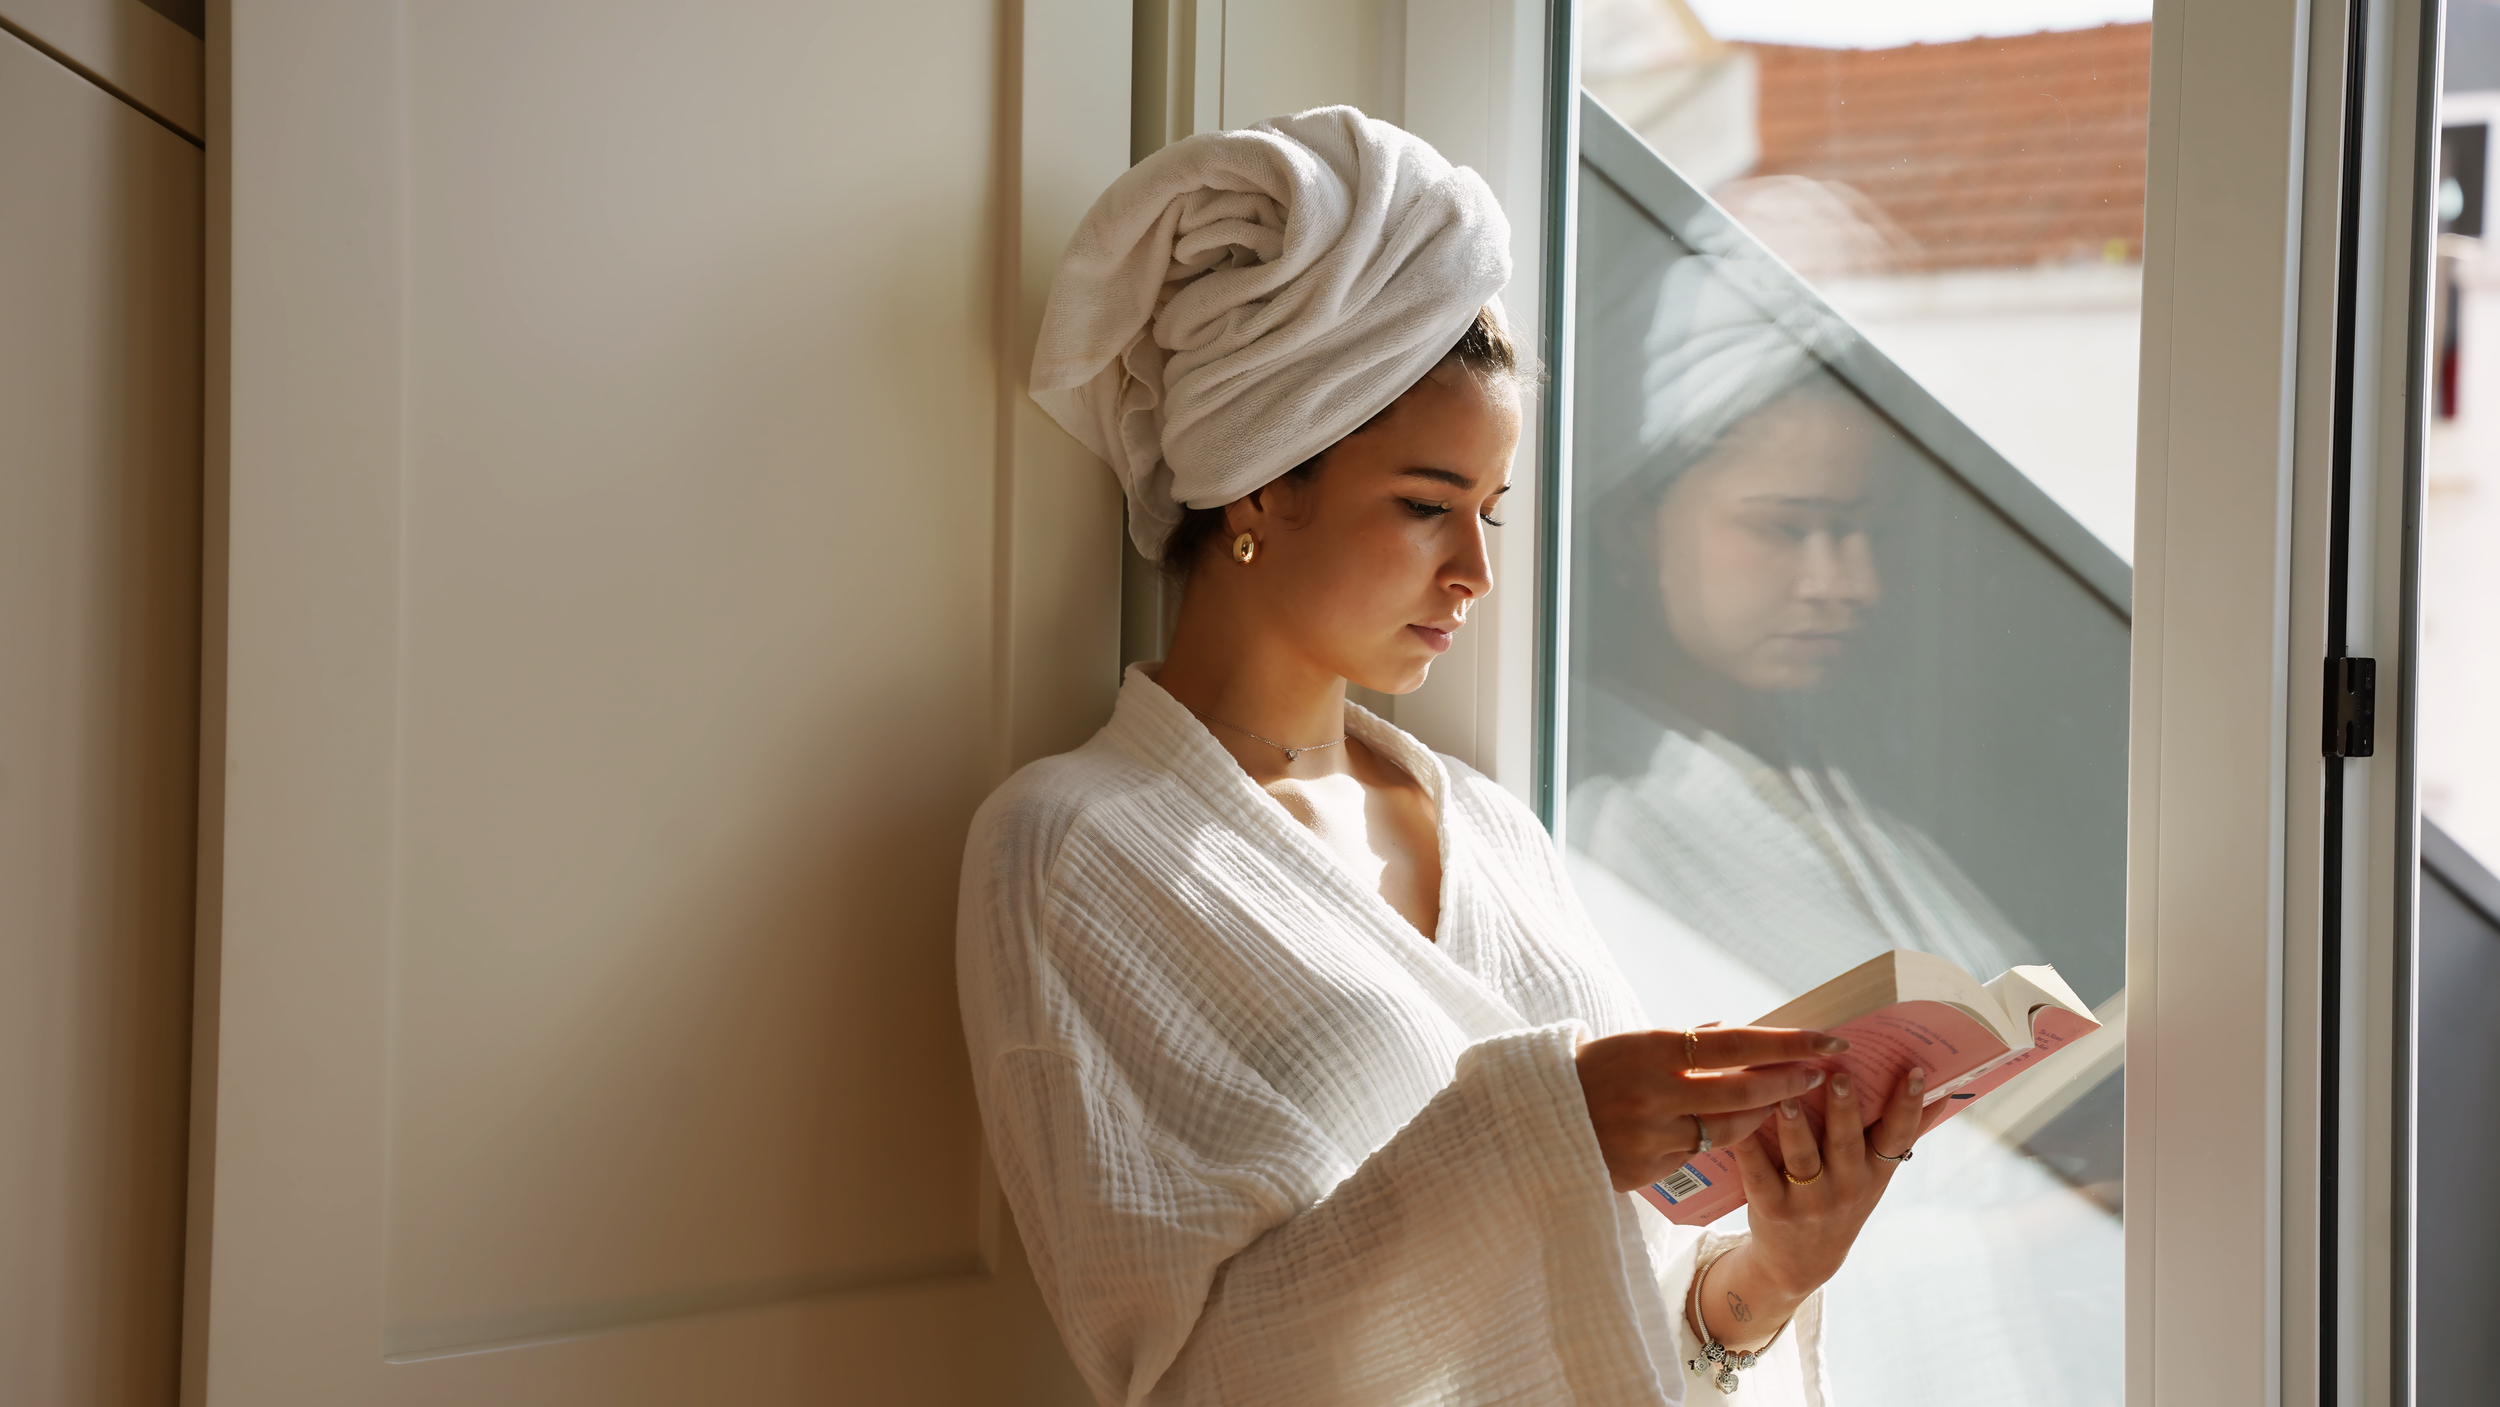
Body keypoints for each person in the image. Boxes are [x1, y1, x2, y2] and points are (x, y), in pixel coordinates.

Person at [956, 108, 1937, 1406]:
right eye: (1425, 506)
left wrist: (1766, 1271)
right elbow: (1193, 1382)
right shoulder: (1077, 849)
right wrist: (1551, 1130)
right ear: (1257, 482)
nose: (1475, 570)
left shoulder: (1491, 829)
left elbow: (1621, 1324)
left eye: (1490, 509)